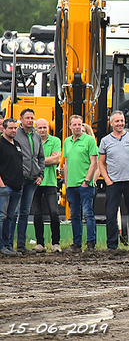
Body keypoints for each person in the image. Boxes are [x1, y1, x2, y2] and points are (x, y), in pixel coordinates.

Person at [98, 110, 129, 254]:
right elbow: (101, 163)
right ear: (111, 123)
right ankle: (112, 246)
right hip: (114, 183)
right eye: (117, 121)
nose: (120, 123)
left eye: (122, 120)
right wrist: (107, 180)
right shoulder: (105, 141)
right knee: (111, 214)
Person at [11, 108, 45, 255]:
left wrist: (41, 174)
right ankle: (7, 245)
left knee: (25, 213)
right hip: (19, 179)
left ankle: (21, 245)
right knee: (13, 212)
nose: (30, 120)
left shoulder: (36, 136)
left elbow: (41, 157)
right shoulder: (15, 134)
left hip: (32, 180)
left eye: (32, 118)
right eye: (27, 118)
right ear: (21, 119)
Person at [63, 115, 99, 253]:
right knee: (75, 215)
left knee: (88, 214)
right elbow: (66, 163)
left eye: (79, 124)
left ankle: (91, 244)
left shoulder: (89, 140)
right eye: (74, 125)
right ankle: (76, 244)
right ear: (70, 126)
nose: (77, 127)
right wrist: (66, 183)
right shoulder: (67, 141)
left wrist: (87, 181)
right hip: (71, 185)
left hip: (85, 185)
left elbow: (93, 162)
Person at [31, 118, 62, 253]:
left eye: (45, 127)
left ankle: (56, 243)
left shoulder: (55, 141)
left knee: (54, 213)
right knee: (37, 214)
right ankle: (40, 243)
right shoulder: (32, 141)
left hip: (50, 182)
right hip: (34, 182)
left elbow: (56, 159)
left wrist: (36, 160)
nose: (42, 130)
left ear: (48, 128)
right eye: (40, 128)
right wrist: (47, 159)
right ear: (36, 128)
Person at [0, 118, 23, 256]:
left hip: (16, 187)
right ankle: (1, 246)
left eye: (15, 128)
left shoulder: (17, 144)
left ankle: (8, 245)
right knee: (2, 216)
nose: (14, 130)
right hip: (5, 187)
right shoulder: (1, 144)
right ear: (4, 128)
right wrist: (2, 184)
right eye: (11, 128)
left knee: (11, 217)